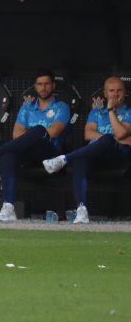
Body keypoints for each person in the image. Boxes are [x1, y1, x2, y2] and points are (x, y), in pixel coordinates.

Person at [0, 70, 71, 222]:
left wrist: (31, 134)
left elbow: (54, 131)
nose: (43, 88)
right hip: (28, 153)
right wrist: (29, 137)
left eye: (46, 84)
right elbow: (16, 135)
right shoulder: (27, 107)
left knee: (39, 130)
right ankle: (8, 207)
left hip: (49, 154)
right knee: (9, 155)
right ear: (35, 86)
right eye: (39, 84)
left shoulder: (61, 107)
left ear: (53, 85)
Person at [42, 77, 131, 224]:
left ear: (125, 92)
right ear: (105, 93)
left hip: (118, 157)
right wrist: (112, 137)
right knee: (81, 160)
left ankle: (64, 159)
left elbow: (121, 133)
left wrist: (110, 110)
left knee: (108, 140)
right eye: (111, 91)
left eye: (119, 90)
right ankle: (81, 210)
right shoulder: (96, 112)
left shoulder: (128, 112)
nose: (115, 94)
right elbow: (88, 134)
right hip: (96, 156)